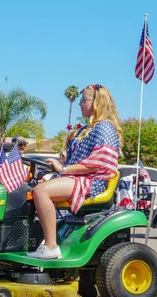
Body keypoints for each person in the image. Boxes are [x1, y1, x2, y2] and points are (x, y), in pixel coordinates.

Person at [27, 84, 121, 259]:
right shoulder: (86, 129)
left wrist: (63, 168)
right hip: (77, 177)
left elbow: (97, 163)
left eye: (84, 99)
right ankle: (33, 240)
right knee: (29, 188)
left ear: (98, 101)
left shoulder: (105, 127)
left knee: (41, 191)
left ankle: (51, 246)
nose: (80, 103)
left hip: (92, 181)